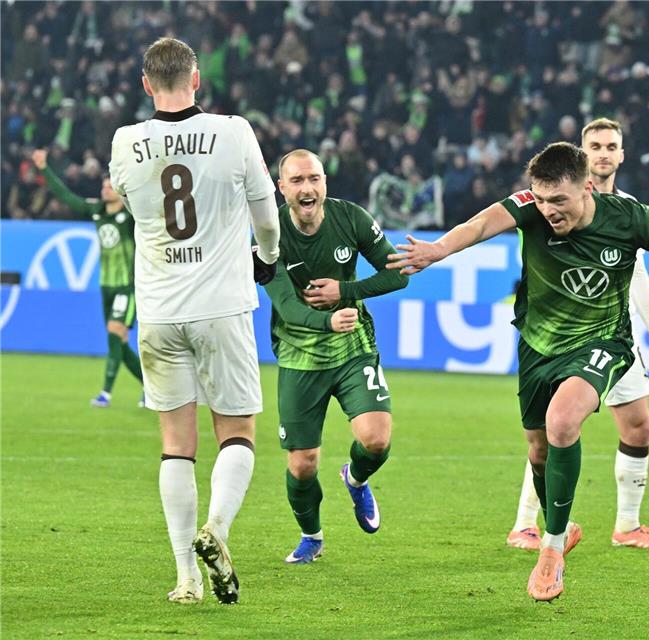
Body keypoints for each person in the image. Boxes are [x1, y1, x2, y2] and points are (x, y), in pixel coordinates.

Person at [388, 141, 649, 602]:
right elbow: (482, 224)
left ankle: (552, 548)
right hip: (538, 346)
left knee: (563, 421)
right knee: (538, 452)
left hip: (602, 341)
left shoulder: (631, 217)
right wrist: (439, 249)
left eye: (558, 200)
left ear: (587, 187)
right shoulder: (530, 208)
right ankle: (563, 526)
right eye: (540, 199)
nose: (548, 210)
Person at [109, 37, 281, 605]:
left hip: (158, 310)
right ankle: (218, 530)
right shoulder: (234, 132)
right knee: (237, 432)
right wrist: (268, 258)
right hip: (223, 305)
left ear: (145, 84)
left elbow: (139, 212)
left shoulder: (126, 142)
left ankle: (185, 577)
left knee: (175, 445)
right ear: (197, 78)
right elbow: (267, 216)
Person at [506, 118, 649, 553]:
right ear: (581, 158)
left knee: (638, 426)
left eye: (611, 146)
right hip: (564, 335)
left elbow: (639, 274)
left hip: (614, 334)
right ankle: (527, 523)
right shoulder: (547, 203)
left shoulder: (631, 212)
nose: (603, 153)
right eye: (595, 146)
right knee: (552, 427)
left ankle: (628, 525)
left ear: (621, 155)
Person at [263, 149, 408, 564]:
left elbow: (397, 274)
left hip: (352, 348)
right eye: (297, 181)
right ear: (282, 188)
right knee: (303, 464)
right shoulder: (268, 233)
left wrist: (344, 292)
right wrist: (326, 321)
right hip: (299, 356)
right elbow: (287, 306)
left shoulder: (351, 218)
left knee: (376, 440)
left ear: (324, 182)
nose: (307, 188)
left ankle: (356, 478)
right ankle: (312, 536)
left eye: (314, 179)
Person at [31, 148, 145, 408]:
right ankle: (150, 388)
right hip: (105, 285)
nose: (105, 190)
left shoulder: (130, 217)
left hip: (127, 287)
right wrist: (44, 168)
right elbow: (66, 197)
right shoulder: (96, 211)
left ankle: (106, 393)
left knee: (116, 333)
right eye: (103, 186)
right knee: (119, 342)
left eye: (109, 187)